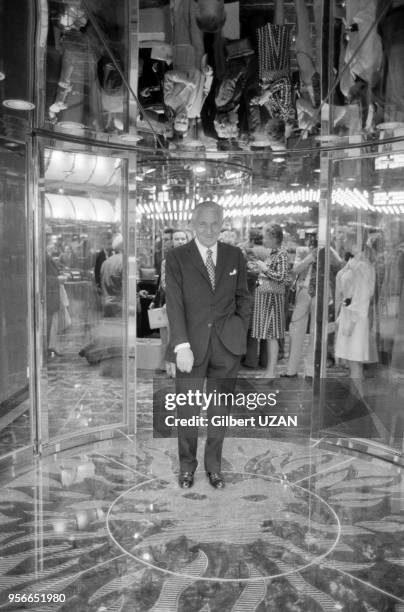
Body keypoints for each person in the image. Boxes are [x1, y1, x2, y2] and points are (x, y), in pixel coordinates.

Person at [165, 201, 250, 489]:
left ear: (222, 223)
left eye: (215, 223)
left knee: (219, 410)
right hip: (191, 348)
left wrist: (239, 329)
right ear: (193, 224)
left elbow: (244, 297)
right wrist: (181, 346)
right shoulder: (177, 257)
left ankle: (214, 466)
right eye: (203, 223)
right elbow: (174, 305)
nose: (210, 229)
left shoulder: (235, 256)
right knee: (187, 410)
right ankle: (187, 466)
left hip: (226, 348)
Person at [250, 223, 289, 379]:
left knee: (271, 336)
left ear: (273, 237)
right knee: (268, 336)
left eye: (265, 236)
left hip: (272, 300)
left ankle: (271, 371)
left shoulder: (281, 254)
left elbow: (282, 277)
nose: (263, 239)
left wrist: (264, 269)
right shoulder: (273, 254)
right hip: (267, 298)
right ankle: (269, 371)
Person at [100, 234, 123, 318]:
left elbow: (102, 284)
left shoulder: (105, 262)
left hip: (106, 306)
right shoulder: (125, 262)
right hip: (120, 308)